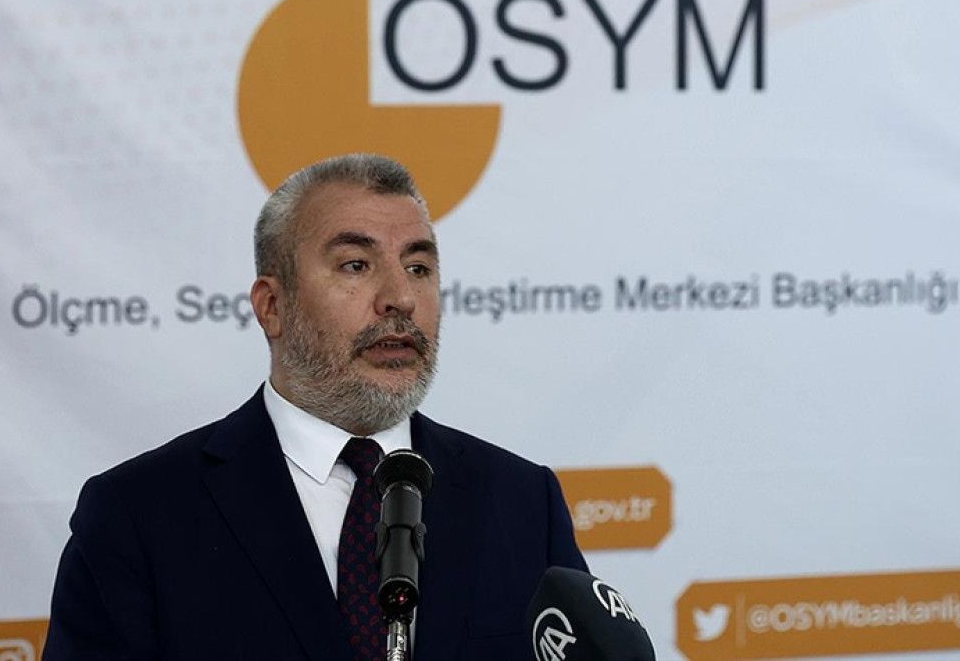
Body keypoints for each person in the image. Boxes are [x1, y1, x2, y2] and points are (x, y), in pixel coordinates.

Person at [43, 154, 588, 660]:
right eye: (356, 265)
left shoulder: (522, 501)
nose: (400, 297)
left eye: (419, 267)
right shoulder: (136, 516)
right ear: (272, 306)